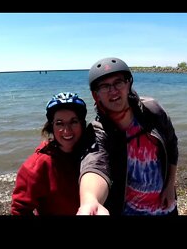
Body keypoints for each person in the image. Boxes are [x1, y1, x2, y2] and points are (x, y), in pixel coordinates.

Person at [77, 57, 179, 215]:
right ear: (95, 95)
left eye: (118, 82)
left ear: (128, 84)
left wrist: (170, 185)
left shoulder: (152, 110)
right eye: (104, 86)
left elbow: (172, 145)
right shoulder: (98, 130)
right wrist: (90, 200)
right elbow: (95, 164)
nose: (113, 90)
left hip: (166, 207)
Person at [11, 92, 87, 215]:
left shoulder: (92, 153)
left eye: (73, 122)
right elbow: (20, 210)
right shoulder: (36, 166)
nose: (67, 130)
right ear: (51, 127)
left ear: (82, 124)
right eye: (59, 123)